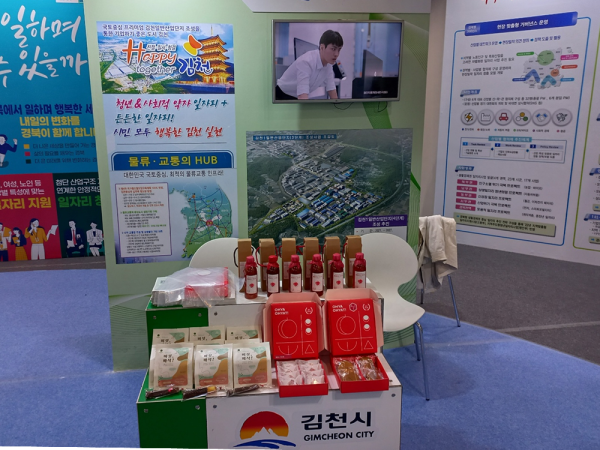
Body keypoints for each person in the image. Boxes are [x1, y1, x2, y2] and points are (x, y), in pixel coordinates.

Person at [276, 30, 343, 100]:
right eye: (333, 49)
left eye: (339, 50)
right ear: (322, 47)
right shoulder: (306, 61)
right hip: (281, 95)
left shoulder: (328, 65)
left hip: (296, 97)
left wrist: (337, 105)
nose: (336, 54)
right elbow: (302, 96)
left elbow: (332, 90)